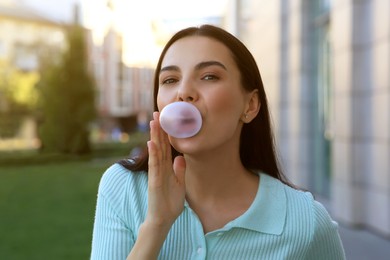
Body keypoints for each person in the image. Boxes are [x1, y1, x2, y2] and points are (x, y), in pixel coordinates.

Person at [90, 24, 345, 260]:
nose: (183, 92)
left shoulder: (307, 223)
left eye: (209, 76)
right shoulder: (122, 188)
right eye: (170, 80)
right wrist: (157, 224)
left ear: (250, 105)